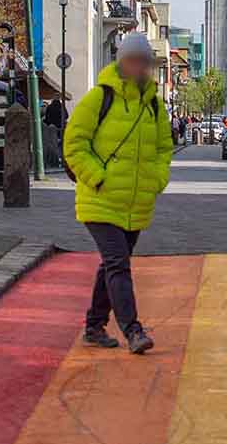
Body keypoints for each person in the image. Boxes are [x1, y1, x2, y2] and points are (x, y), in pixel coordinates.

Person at [63, 31, 173, 354]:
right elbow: (74, 144)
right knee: (117, 264)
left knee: (112, 264)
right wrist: (98, 177)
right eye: (134, 61)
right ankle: (133, 330)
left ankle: (94, 326)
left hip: (135, 202)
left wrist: (157, 179)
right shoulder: (100, 97)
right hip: (100, 199)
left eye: (145, 62)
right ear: (122, 62)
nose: (140, 68)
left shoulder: (154, 105)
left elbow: (165, 148)